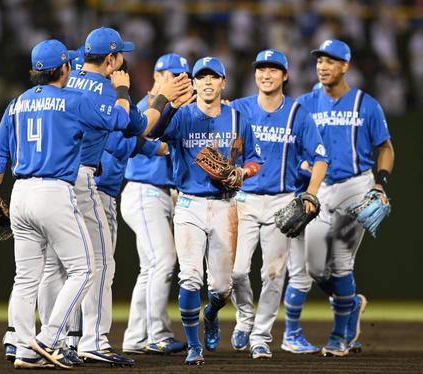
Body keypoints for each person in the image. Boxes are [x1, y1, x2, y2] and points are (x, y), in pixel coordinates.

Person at [34, 27, 191, 366]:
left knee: (52, 268)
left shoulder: (68, 80)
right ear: (111, 58)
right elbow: (132, 131)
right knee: (98, 264)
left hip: (48, 180)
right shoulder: (107, 90)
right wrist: (159, 100)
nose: (124, 62)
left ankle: (33, 339)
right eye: (122, 55)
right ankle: (91, 340)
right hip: (88, 183)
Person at [0, 39, 112, 369]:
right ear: (65, 68)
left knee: (25, 278)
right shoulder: (73, 99)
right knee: (84, 269)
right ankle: (48, 338)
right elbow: (110, 122)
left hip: (19, 195)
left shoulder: (14, 104)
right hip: (53, 191)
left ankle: (25, 347)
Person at [283, 39, 394, 357]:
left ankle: (339, 337)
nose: (322, 66)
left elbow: (385, 147)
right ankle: (351, 305)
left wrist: (381, 182)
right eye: (319, 60)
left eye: (330, 61)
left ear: (345, 66)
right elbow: (294, 149)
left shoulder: (366, 104)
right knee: (316, 268)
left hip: (357, 186)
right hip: (321, 188)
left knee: (342, 264)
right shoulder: (303, 105)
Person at [154, 56, 262, 365]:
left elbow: (255, 159)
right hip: (188, 202)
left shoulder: (238, 118)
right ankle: (193, 347)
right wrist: (171, 104)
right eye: (201, 77)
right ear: (195, 83)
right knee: (188, 278)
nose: (208, 82)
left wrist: (244, 173)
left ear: (223, 82)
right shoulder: (182, 116)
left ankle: (211, 313)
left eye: (213, 77)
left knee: (222, 288)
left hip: (226, 205)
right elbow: (156, 132)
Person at [228, 49, 328, 359]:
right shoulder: (239, 109)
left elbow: (321, 157)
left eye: (273, 70)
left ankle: (260, 336)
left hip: (281, 202)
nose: (266, 75)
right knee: (236, 272)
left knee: (272, 274)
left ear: (285, 75)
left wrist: (310, 193)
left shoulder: (298, 113)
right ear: (255, 74)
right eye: (261, 69)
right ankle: (245, 317)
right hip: (243, 201)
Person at [121, 53, 190, 355]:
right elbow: (148, 142)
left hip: (164, 195)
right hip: (144, 192)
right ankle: (157, 335)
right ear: (157, 77)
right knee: (163, 260)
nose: (177, 81)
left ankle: (135, 337)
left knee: (149, 269)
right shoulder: (146, 108)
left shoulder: (183, 112)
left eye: (182, 76)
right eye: (171, 75)